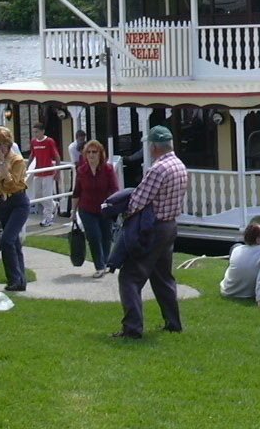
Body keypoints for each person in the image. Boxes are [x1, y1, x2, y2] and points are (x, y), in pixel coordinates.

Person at [114, 125, 188, 339]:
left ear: (155, 146)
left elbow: (138, 200)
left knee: (130, 277)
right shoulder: (179, 165)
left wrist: (122, 212)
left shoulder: (158, 169)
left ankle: (132, 328)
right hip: (170, 226)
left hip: (153, 228)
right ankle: (173, 323)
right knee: (162, 277)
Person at [0, 126, 30, 292]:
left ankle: (14, 280)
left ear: (7, 144)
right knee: (14, 244)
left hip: (18, 203)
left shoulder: (17, 160)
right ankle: (20, 281)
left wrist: (4, 163)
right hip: (2, 204)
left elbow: (12, 185)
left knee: (7, 240)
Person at [71, 139, 119, 278]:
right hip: (86, 209)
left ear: (100, 154)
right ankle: (99, 266)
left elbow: (115, 189)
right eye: (89, 152)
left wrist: (112, 205)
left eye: (94, 152)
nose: (91, 155)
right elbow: (76, 192)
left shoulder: (108, 169)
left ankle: (105, 263)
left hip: (105, 209)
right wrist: (73, 212)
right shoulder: (82, 170)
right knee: (94, 236)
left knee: (106, 236)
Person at [219, 222, 260, 312]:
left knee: (235, 245)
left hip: (227, 290)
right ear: (258, 239)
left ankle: (230, 280)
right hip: (247, 292)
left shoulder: (237, 249)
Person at [27, 122, 61, 226]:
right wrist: (26, 167)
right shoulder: (33, 142)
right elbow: (32, 155)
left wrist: (57, 172)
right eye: (34, 132)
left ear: (43, 131)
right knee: (37, 195)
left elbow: (57, 156)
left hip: (48, 172)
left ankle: (48, 217)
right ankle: (53, 205)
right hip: (38, 172)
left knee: (47, 194)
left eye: (37, 132)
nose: (35, 134)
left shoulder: (49, 141)